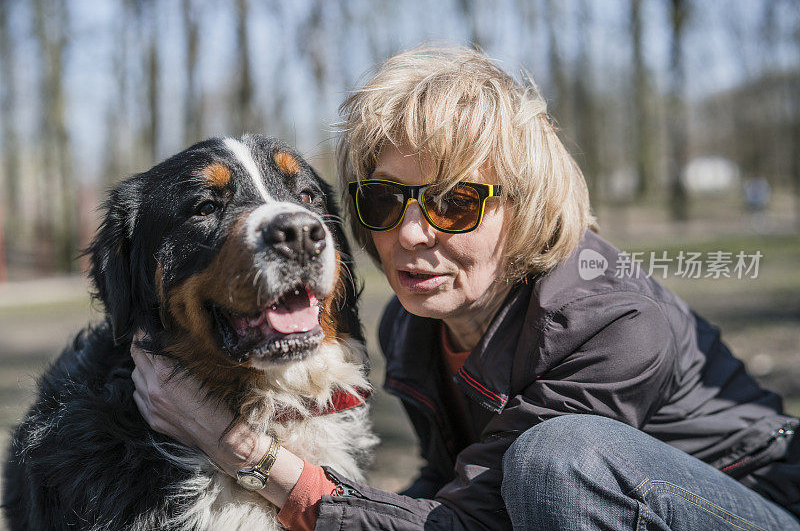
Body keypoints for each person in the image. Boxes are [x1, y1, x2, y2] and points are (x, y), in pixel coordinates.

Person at [131, 46, 800, 530]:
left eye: (455, 203)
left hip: (751, 503)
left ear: (526, 204)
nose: (413, 234)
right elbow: (456, 496)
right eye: (385, 201)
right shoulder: (414, 322)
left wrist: (244, 455)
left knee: (560, 458)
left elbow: (472, 520)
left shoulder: (613, 320)